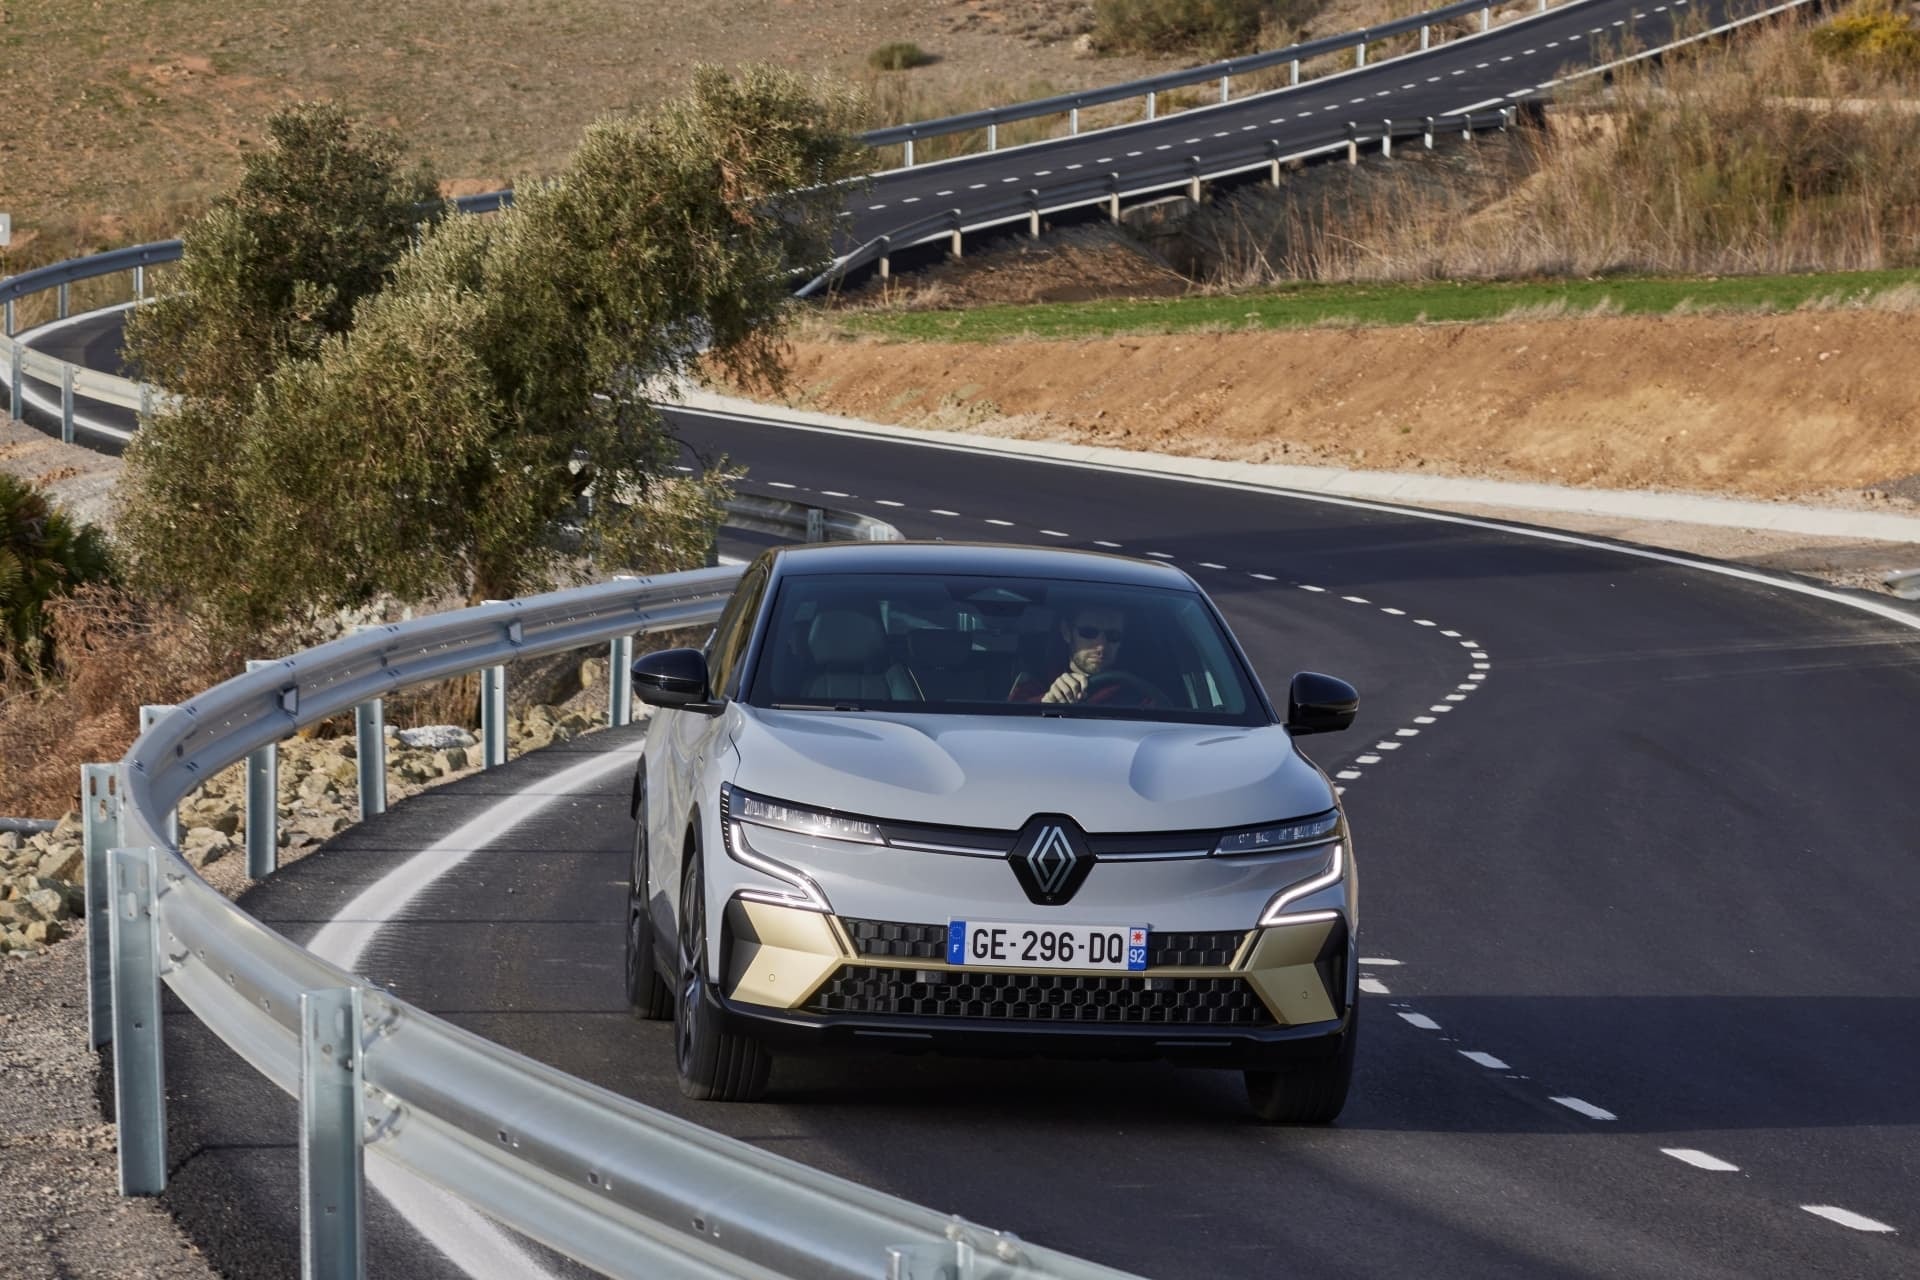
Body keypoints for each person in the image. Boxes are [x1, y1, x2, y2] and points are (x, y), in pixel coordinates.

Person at [1007, 603, 1154, 706]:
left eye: (1113, 636)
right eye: (1089, 633)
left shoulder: (1137, 693)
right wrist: (1047, 702)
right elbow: (1010, 728)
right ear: (1066, 632)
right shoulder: (1036, 679)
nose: (1101, 646)